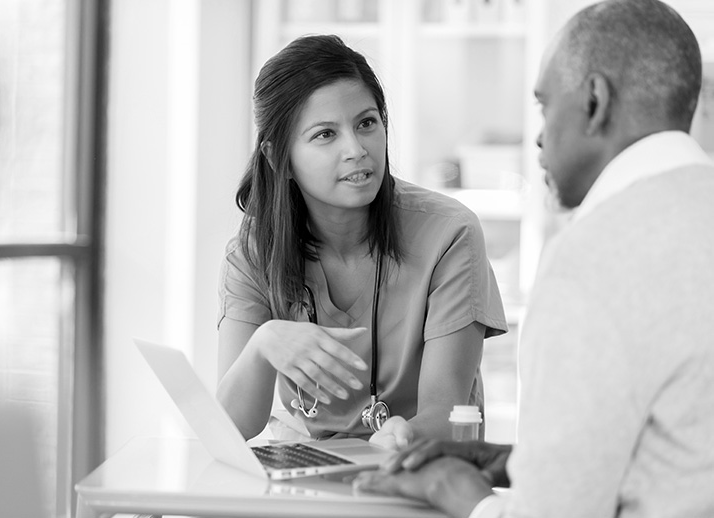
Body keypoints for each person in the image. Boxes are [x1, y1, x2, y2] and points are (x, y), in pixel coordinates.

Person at [353, 0, 714, 516]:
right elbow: (682, 447)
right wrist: (516, 459)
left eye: (546, 106)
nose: (540, 135)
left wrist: (450, 489)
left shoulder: (590, 259)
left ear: (595, 101)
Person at [216, 34, 507, 448]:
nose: (357, 149)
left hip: (412, 471)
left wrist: (396, 440)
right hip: (306, 479)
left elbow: (445, 413)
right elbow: (228, 428)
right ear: (278, 157)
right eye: (325, 134)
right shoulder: (253, 252)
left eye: (366, 123)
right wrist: (263, 346)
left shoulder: (449, 234)